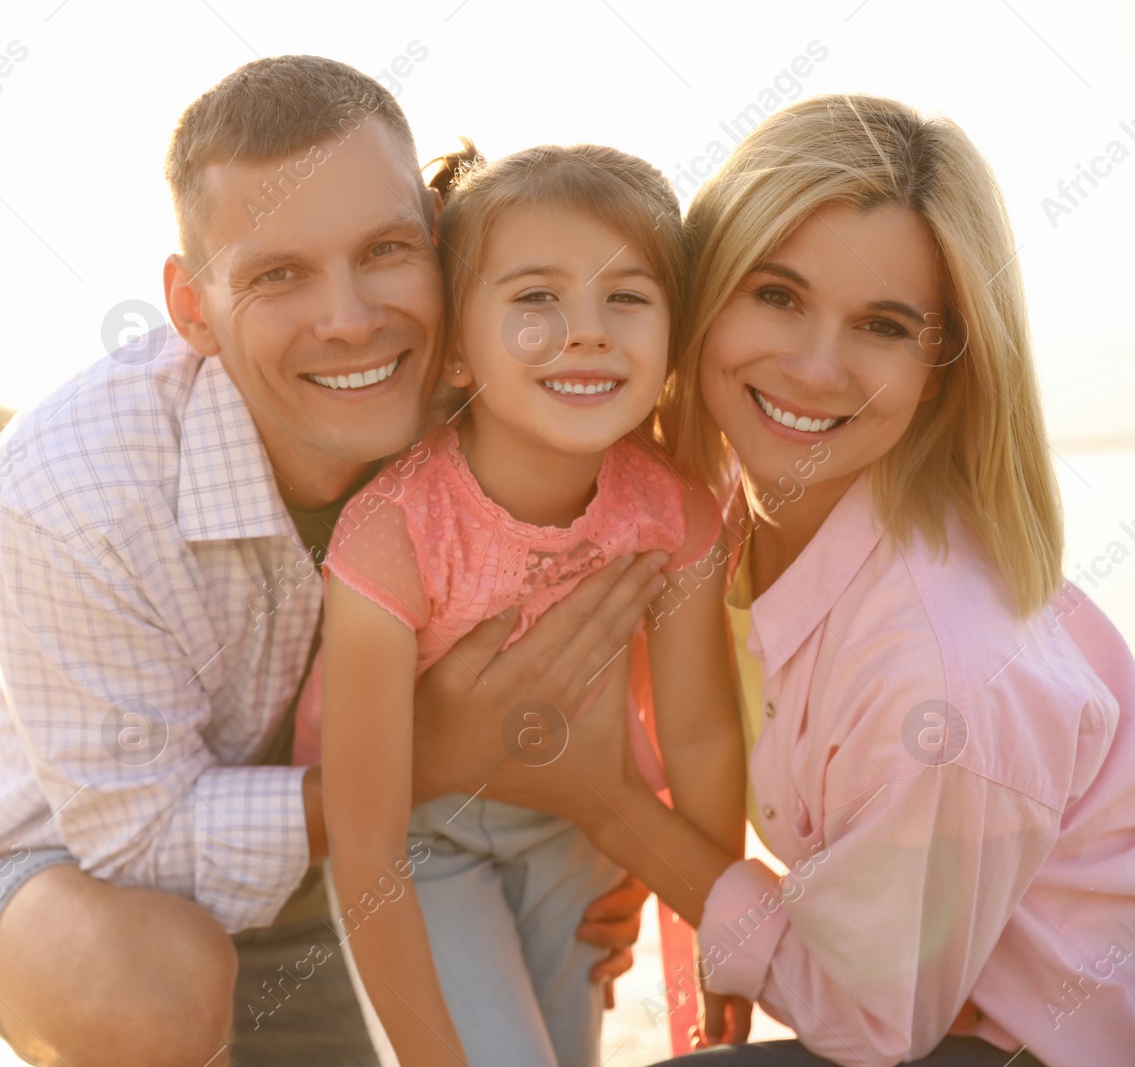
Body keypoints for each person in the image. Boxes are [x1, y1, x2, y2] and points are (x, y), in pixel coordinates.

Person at [0, 56, 664, 1067]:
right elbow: (140, 843)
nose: (351, 316)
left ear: (440, 243)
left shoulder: (505, 389)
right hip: (81, 864)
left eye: (385, 251)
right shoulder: (70, 489)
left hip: (391, 856)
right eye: (280, 273)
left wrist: (616, 830)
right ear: (193, 307)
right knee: (153, 994)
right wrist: (439, 756)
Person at [481, 94, 1135, 1066]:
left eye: (880, 324)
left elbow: (871, 1024)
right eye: (777, 295)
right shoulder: (732, 523)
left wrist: (615, 812)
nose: (815, 368)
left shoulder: (942, 672)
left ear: (940, 369)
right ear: (705, 299)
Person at [296, 141, 745, 1067]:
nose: (585, 330)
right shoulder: (395, 537)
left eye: (627, 297)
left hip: (575, 833)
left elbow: (699, 736)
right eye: (535, 297)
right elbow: (366, 835)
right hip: (423, 838)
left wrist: (716, 929)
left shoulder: (676, 512)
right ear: (457, 350)